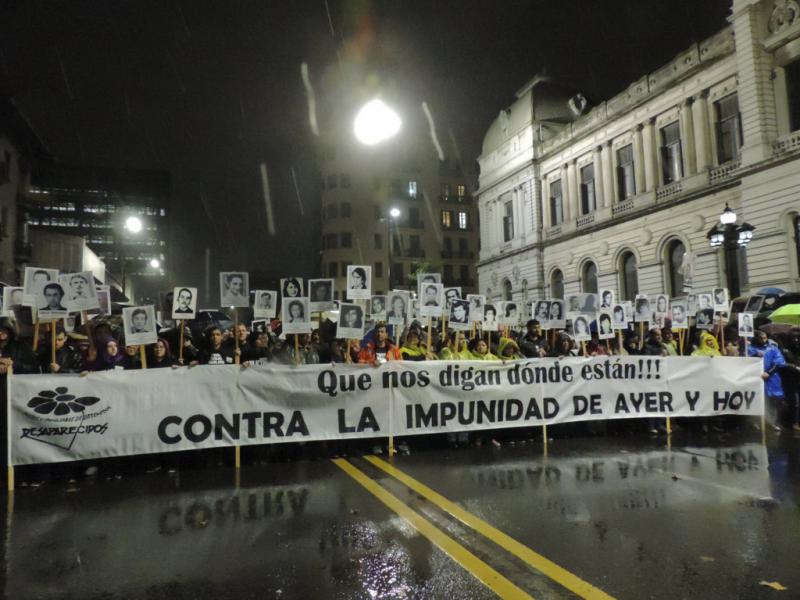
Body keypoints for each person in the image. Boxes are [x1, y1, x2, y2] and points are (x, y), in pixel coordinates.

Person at [748, 329, 787, 431]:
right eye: (761, 338)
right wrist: (755, 356)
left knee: (774, 401)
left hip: (772, 379)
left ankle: (773, 422)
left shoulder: (772, 348)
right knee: (756, 400)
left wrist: (769, 372)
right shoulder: (750, 348)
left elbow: (779, 362)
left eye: (765, 338)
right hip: (755, 379)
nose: (764, 340)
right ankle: (756, 422)